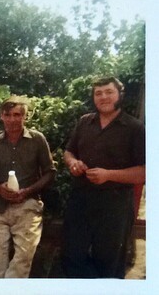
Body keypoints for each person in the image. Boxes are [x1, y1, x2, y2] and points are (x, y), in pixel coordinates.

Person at [62, 76, 145, 278]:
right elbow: (68, 152)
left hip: (114, 206)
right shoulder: (84, 122)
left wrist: (108, 175)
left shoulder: (135, 128)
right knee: (73, 257)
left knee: (109, 261)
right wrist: (73, 163)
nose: (103, 97)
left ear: (120, 95)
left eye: (109, 92)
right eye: (98, 93)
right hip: (80, 201)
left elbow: (144, 171)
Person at [0, 95, 56, 278]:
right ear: (1, 116)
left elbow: (50, 172)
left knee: (23, 257)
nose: (12, 119)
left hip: (27, 206)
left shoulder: (37, 140)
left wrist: (28, 191)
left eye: (17, 115)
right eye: (8, 115)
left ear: (25, 117)